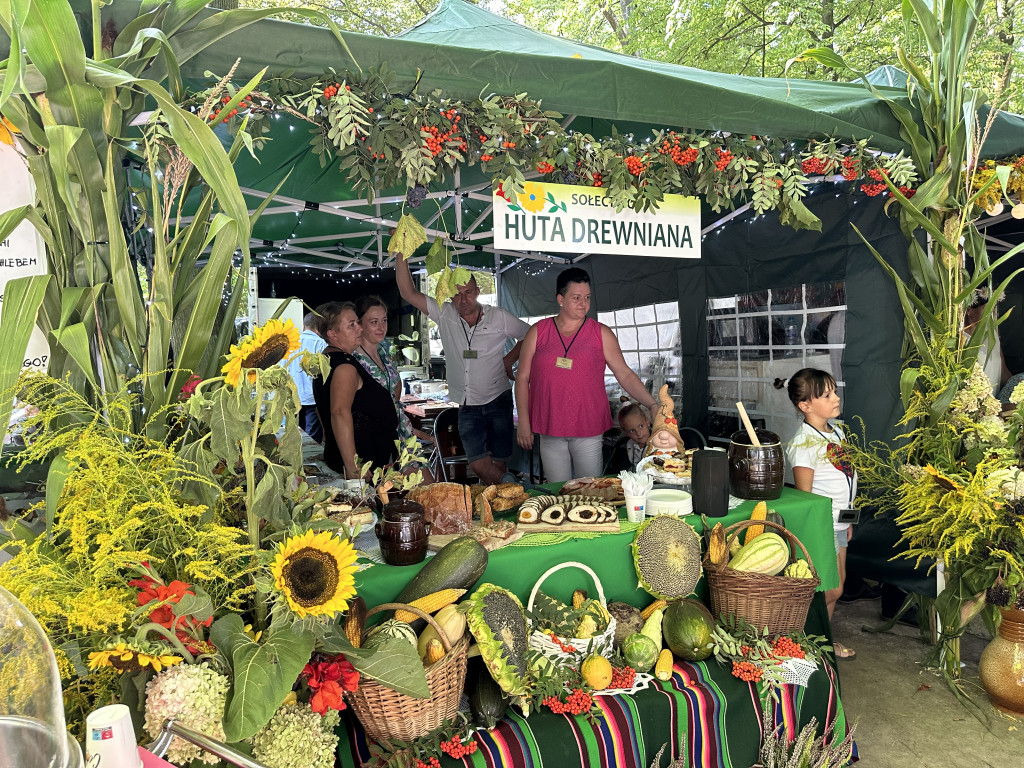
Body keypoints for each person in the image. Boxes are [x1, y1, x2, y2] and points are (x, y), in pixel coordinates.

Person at [515, 267, 658, 482]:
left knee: (590, 490)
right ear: (560, 299)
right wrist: (524, 423)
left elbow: (624, 374)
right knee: (558, 490)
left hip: (588, 427)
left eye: (587, 297)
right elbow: (522, 378)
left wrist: (652, 404)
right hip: (550, 426)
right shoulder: (538, 331)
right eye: (576, 298)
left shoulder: (601, 333)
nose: (583, 303)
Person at [396, 254, 529, 485]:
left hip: (498, 398)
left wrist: (509, 360)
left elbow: (530, 335)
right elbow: (408, 293)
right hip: (467, 405)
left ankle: (499, 509)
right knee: (478, 465)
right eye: (457, 294)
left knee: (498, 464)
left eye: (468, 292)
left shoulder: (498, 317)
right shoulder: (444, 314)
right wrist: (401, 253)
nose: (463, 299)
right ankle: (519, 491)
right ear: (450, 295)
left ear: (477, 292)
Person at [785, 368, 857, 660]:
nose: (836, 398)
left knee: (837, 588)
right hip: (823, 525)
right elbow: (806, 497)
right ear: (805, 406)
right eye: (826, 395)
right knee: (829, 588)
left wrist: (850, 519)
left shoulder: (836, 431)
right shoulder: (804, 443)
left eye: (834, 391)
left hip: (841, 522)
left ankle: (820, 642)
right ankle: (808, 644)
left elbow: (848, 479)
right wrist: (821, 530)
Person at [312, 302, 398, 478]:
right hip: (364, 466)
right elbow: (339, 412)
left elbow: (321, 409)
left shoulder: (327, 360)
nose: (359, 328)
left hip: (366, 460)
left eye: (357, 322)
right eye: (351, 325)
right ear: (332, 334)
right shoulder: (345, 367)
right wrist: (353, 465)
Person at [353, 295, 435, 481]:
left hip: (402, 435)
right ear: (359, 324)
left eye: (384, 320)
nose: (381, 327)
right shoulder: (354, 359)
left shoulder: (382, 352)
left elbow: (395, 401)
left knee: (429, 491)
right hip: (375, 441)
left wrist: (419, 434)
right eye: (374, 322)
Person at [285, 311, 327, 443]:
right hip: (312, 398)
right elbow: (324, 372)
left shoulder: (291, 343)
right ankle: (310, 461)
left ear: (304, 326)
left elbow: (282, 367)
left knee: (290, 433)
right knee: (312, 437)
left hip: (292, 396)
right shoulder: (321, 344)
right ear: (319, 328)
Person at [604, 398, 651, 473]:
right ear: (626, 432)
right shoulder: (628, 445)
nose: (638, 433)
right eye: (632, 431)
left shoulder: (659, 443)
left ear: (647, 422)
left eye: (641, 426)